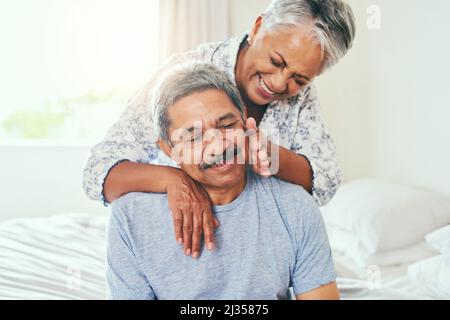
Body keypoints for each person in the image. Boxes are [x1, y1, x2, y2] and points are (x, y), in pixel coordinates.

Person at [84, 0, 356, 256]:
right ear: (258, 28)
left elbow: (326, 182)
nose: (279, 84)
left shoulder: (301, 98)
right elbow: (98, 172)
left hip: (258, 254)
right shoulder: (179, 76)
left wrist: (269, 155)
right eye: (275, 62)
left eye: (299, 78)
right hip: (180, 250)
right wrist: (174, 180)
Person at [106, 63, 338, 300]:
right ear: (168, 149)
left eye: (227, 126)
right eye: (194, 137)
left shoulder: (295, 206)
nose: (219, 146)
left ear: (246, 122)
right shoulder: (130, 218)